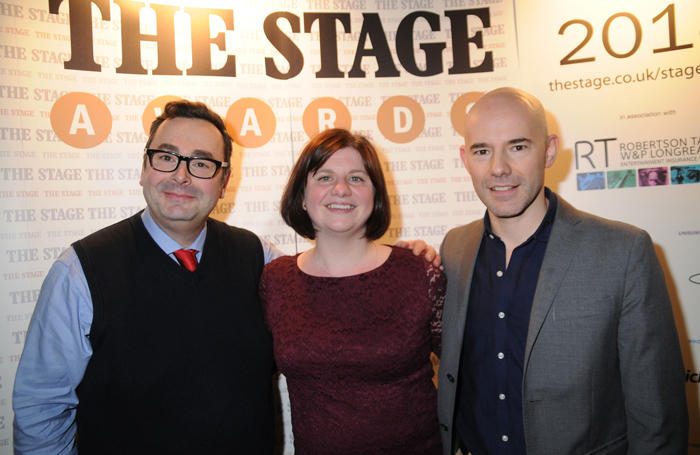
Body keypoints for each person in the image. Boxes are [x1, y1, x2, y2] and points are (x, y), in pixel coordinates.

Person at [13, 101, 440, 455]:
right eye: (166, 157)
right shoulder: (81, 271)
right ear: (144, 168)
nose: (181, 175)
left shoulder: (260, 261)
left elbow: (330, 279)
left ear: (224, 181)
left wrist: (398, 259)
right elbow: (41, 409)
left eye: (201, 163)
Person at [437, 88, 688, 455]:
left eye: (518, 147)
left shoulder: (623, 251)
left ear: (550, 150)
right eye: (482, 151)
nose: (498, 168)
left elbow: (658, 419)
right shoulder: (454, 249)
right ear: (465, 158)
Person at [259, 128, 445, 454]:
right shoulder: (275, 280)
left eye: (357, 178)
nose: (341, 190)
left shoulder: (419, 271)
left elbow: (468, 372)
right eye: (325, 177)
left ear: (376, 197)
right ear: (302, 196)